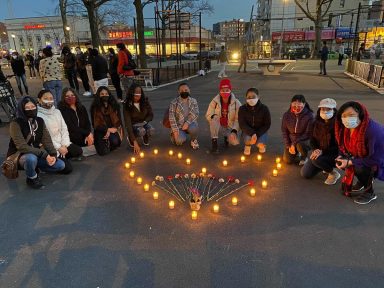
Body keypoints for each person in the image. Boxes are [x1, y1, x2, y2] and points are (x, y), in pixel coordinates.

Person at [7, 96, 65, 189]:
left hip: (38, 154)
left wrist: (53, 154)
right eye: (27, 108)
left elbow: (47, 140)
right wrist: (44, 154)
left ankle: (35, 168)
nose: (31, 109)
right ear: (22, 109)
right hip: (20, 156)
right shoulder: (15, 123)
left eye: (33, 107)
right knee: (31, 158)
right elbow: (22, 146)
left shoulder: (40, 121)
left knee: (60, 165)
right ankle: (31, 178)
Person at [335, 101, 384, 205]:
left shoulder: (374, 131)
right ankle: (362, 181)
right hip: (363, 157)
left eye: (351, 115)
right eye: (344, 116)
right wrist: (341, 156)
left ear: (361, 114)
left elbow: (377, 159)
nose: (347, 118)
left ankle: (369, 193)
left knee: (359, 167)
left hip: (379, 160)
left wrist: (350, 162)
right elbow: (343, 145)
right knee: (350, 163)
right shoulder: (347, 128)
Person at [37, 89, 83, 174]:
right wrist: (58, 148)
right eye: (46, 98)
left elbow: (64, 128)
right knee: (67, 169)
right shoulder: (38, 116)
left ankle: (62, 156)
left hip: (61, 143)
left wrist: (64, 145)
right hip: (49, 146)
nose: (49, 100)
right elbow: (43, 138)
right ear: (39, 100)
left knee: (78, 151)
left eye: (51, 98)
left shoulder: (57, 111)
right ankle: (43, 166)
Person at [301, 98, 340, 185]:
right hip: (320, 152)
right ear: (319, 110)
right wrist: (316, 149)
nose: (325, 111)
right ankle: (323, 166)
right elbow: (312, 139)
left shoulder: (339, 125)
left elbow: (339, 146)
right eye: (323, 109)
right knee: (305, 174)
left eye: (329, 109)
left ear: (334, 110)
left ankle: (333, 173)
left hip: (333, 154)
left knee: (316, 160)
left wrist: (322, 151)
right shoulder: (315, 123)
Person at [58, 88, 96, 157]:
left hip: (82, 135)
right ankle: (81, 151)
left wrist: (89, 134)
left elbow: (87, 123)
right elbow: (71, 127)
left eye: (72, 95)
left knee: (98, 142)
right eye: (67, 96)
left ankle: (82, 151)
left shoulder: (81, 107)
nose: (70, 97)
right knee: (76, 149)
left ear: (75, 96)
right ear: (63, 98)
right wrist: (87, 133)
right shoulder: (62, 109)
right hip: (71, 137)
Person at [206, 78, 241, 153]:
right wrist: (213, 116)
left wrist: (234, 131)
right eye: (223, 90)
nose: (225, 92)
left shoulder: (236, 103)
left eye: (227, 90)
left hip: (230, 127)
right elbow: (208, 114)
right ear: (220, 91)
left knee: (234, 143)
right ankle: (214, 145)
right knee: (214, 119)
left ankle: (227, 138)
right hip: (219, 126)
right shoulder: (214, 101)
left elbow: (238, 119)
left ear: (230, 90)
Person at [281, 94, 314, 166]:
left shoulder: (309, 115)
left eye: (299, 104)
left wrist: (294, 143)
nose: (296, 107)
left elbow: (308, 133)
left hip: (305, 140)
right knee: (287, 160)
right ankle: (297, 152)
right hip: (292, 140)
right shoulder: (286, 115)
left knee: (300, 145)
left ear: (304, 104)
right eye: (294, 104)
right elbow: (284, 131)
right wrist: (288, 145)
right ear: (291, 104)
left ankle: (304, 157)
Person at [90, 86, 123, 156]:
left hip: (112, 128)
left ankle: (109, 142)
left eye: (106, 94)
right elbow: (95, 125)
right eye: (102, 94)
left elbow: (119, 120)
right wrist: (107, 130)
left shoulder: (114, 105)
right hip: (100, 129)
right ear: (98, 95)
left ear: (109, 94)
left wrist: (115, 128)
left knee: (115, 142)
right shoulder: (95, 107)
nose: (104, 95)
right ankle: (104, 142)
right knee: (102, 152)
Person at [238, 88, 271, 155]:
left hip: (260, 131)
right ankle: (248, 145)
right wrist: (252, 133)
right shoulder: (242, 109)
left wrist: (257, 134)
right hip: (248, 131)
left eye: (253, 97)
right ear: (246, 98)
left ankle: (260, 143)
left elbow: (267, 124)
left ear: (258, 97)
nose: (251, 99)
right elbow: (242, 124)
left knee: (260, 143)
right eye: (249, 97)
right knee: (248, 139)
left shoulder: (264, 108)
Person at [123, 83, 154, 153]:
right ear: (131, 93)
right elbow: (128, 123)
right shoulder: (127, 104)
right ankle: (131, 139)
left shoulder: (145, 101)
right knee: (141, 130)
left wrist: (145, 122)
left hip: (143, 122)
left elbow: (151, 115)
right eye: (135, 93)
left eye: (139, 93)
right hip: (134, 124)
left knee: (151, 130)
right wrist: (134, 141)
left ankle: (145, 135)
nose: (137, 95)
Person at [169, 82, 199, 150]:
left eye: (186, 90)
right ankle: (177, 136)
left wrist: (187, 122)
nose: (184, 92)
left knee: (194, 128)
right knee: (179, 141)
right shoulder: (174, 102)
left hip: (190, 124)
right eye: (181, 91)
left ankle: (193, 140)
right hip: (179, 126)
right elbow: (172, 118)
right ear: (178, 92)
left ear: (189, 90)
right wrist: (176, 132)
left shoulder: (193, 101)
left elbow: (196, 113)